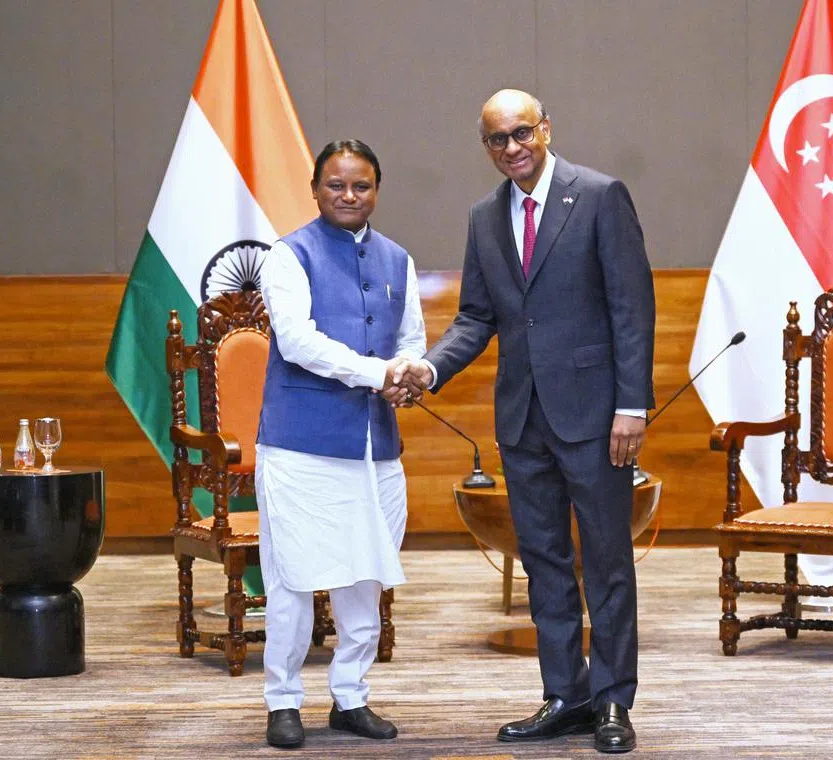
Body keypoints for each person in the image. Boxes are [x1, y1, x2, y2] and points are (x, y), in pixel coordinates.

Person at [406, 89, 655, 754]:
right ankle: (564, 695)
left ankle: (611, 702)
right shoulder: (484, 217)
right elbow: (476, 318)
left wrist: (632, 406)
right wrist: (430, 369)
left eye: (521, 133)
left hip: (597, 417)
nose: (511, 147)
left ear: (546, 128)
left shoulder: (599, 195)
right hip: (522, 420)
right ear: (484, 146)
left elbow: (632, 307)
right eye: (497, 139)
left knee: (605, 560)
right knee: (544, 560)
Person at [255, 139, 426, 749]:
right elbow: (297, 342)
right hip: (301, 447)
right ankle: (283, 700)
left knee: (366, 578)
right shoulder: (288, 255)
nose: (349, 196)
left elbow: (411, 339)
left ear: (377, 190)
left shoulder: (398, 259)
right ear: (315, 187)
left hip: (375, 448)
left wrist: (409, 373)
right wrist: (379, 373)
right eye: (336, 184)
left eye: (361, 186)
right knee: (294, 582)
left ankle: (349, 696)